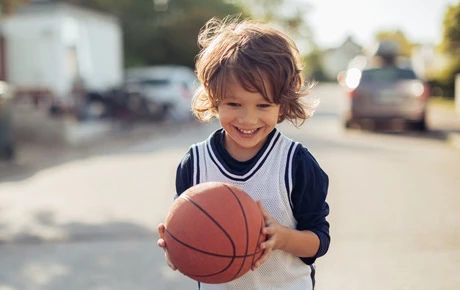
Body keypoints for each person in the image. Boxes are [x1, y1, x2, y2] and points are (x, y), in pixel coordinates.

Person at [157, 15, 330, 290]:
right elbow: (187, 231)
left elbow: (318, 241)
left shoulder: (295, 163)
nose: (248, 119)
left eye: (263, 106)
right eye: (234, 103)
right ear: (214, 99)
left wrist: (282, 238)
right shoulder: (195, 164)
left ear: (282, 105)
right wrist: (177, 246)